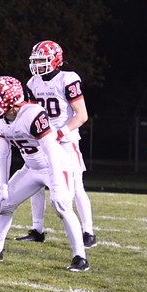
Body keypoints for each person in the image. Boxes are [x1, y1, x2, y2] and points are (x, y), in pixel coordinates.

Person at [0, 76, 90, 272]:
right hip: (31, 168)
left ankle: (80, 257)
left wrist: (57, 186)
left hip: (55, 165)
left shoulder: (33, 114)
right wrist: (3, 186)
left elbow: (51, 150)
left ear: (10, 99)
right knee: (4, 205)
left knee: (62, 207)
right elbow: (4, 153)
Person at [17, 41, 97, 247]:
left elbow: (82, 115)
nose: (37, 65)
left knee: (76, 185)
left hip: (66, 140)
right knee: (36, 183)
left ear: (55, 60)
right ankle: (37, 230)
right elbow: (31, 113)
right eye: (35, 61)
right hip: (43, 140)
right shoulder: (33, 83)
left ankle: (88, 232)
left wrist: (61, 132)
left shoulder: (67, 79)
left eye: (42, 60)